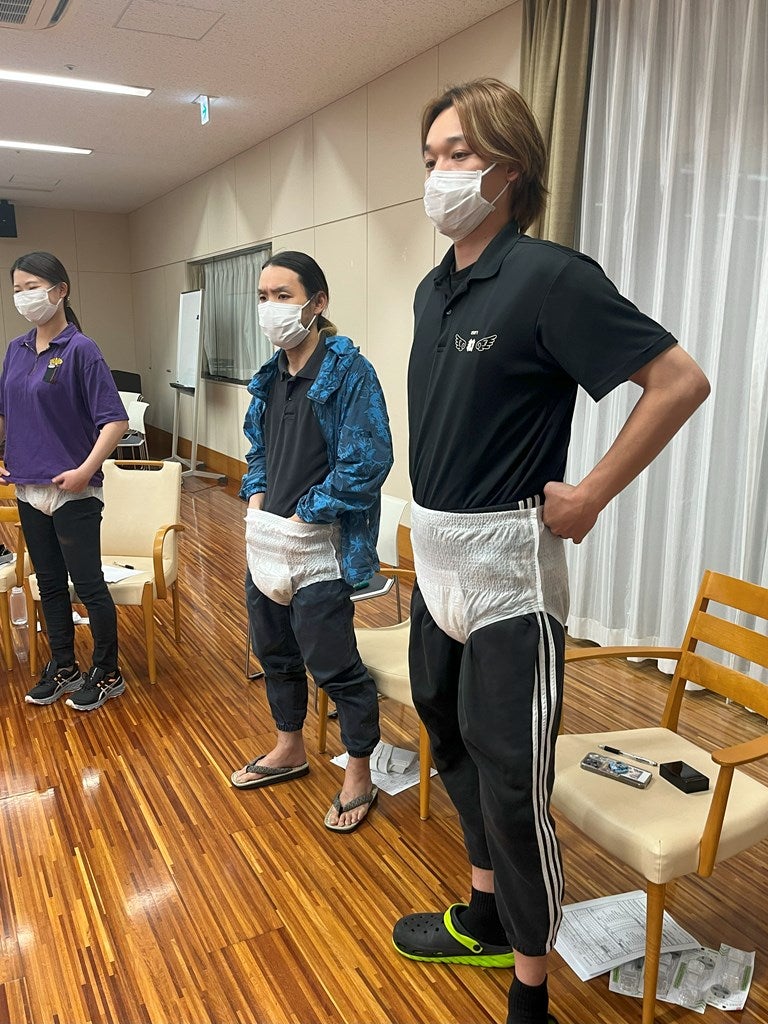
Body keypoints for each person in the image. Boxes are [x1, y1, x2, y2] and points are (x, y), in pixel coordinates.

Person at [392, 79, 710, 1024]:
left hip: (508, 572)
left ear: (509, 166)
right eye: (431, 157)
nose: (439, 173)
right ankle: (486, 914)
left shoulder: (550, 277)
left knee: (513, 779)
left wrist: (595, 489)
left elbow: (678, 381)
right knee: (449, 739)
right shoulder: (435, 288)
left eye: (457, 154)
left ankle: (531, 990)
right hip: (436, 559)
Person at [232, 251, 394, 833]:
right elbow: (257, 450)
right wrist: (256, 495)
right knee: (274, 652)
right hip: (267, 538)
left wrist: (307, 512)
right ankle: (289, 746)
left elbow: (368, 462)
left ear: (317, 303)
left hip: (320, 546)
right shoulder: (271, 377)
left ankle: (359, 772)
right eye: (263, 297)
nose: (270, 308)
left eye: (283, 295)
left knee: (334, 664)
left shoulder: (349, 373)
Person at [1, 252, 129, 711]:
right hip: (28, 486)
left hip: (74, 490)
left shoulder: (81, 349)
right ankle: (63, 665)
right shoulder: (15, 350)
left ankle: (108, 670)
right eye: (17, 289)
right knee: (49, 583)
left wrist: (84, 470)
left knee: (88, 585)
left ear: (60, 290)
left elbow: (115, 421)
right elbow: (6, 412)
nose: (24, 297)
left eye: (32, 287)